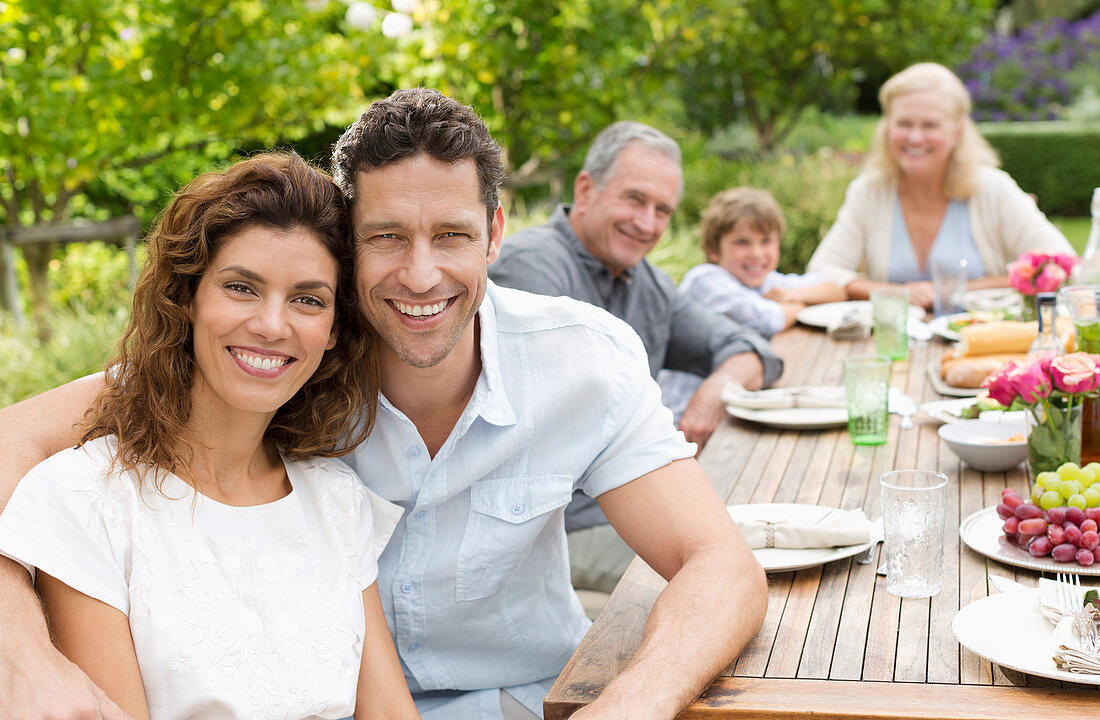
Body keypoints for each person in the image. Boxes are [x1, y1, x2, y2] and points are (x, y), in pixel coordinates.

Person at [0, 90, 767, 720]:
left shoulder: (580, 362)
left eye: (453, 235)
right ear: (348, 246)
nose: (422, 274)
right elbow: (18, 443)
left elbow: (720, 564)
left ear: (495, 234)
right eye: (388, 236)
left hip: (528, 703)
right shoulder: (275, 361)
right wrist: (19, 654)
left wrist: (635, 701)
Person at [0, 153, 417, 720]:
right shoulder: (86, 499)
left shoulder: (335, 498)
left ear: (333, 331)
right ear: (187, 298)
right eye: (242, 288)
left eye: (308, 299)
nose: (273, 324)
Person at [489, 122, 782, 593]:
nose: (647, 223)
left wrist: (714, 391)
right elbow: (577, 411)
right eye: (634, 199)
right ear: (586, 189)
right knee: (736, 579)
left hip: (636, 505)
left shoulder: (645, 281)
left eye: (661, 209)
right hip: (560, 529)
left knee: (771, 539)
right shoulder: (531, 266)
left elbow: (749, 348)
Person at [806, 62, 1074, 310]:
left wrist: (951, 291)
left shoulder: (993, 189)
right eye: (904, 123)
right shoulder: (869, 191)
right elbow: (821, 273)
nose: (915, 137)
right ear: (887, 128)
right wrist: (897, 293)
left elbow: (1061, 267)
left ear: (957, 133)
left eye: (930, 125)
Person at [659, 186, 845, 420]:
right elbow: (770, 320)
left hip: (732, 409)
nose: (757, 253)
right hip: (685, 418)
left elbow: (834, 289)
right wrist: (798, 305)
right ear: (713, 250)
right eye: (742, 242)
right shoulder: (705, 280)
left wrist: (791, 297)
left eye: (766, 241)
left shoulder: (767, 282)